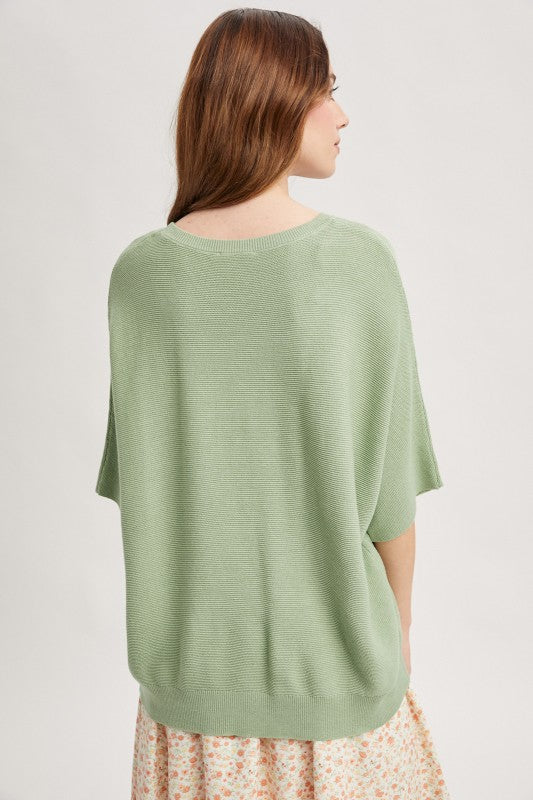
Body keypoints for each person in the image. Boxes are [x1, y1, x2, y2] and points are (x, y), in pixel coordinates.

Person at [95, 8, 451, 799]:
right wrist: (397, 634)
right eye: (325, 91)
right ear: (270, 100)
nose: (341, 115)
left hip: (188, 708)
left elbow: (143, 489)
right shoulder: (356, 264)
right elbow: (389, 497)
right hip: (338, 691)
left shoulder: (139, 276)